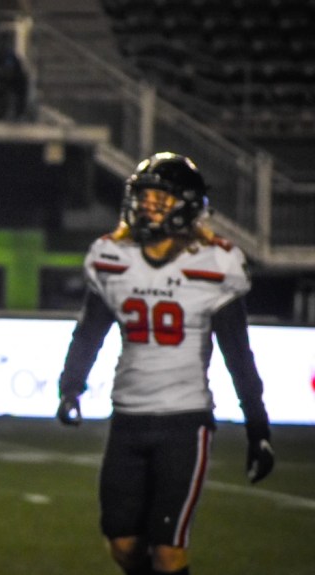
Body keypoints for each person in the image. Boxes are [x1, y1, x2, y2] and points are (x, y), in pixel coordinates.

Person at [56, 152, 275, 575]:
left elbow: (237, 353)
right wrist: (70, 386)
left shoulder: (216, 262)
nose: (147, 208)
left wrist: (258, 428)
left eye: (160, 201)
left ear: (187, 206)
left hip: (185, 421)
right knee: (122, 543)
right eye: (143, 198)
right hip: (127, 416)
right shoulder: (112, 255)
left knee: (168, 550)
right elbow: (90, 331)